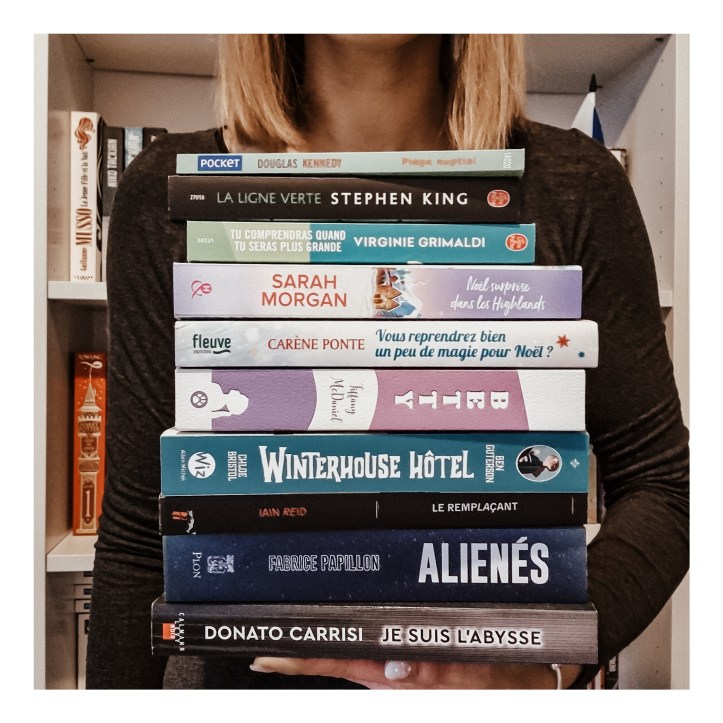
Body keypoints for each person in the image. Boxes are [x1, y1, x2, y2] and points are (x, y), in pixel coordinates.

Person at [86, 34, 689, 690]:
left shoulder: (572, 184)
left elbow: (663, 486)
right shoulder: (174, 191)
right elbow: (138, 540)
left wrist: (545, 660)